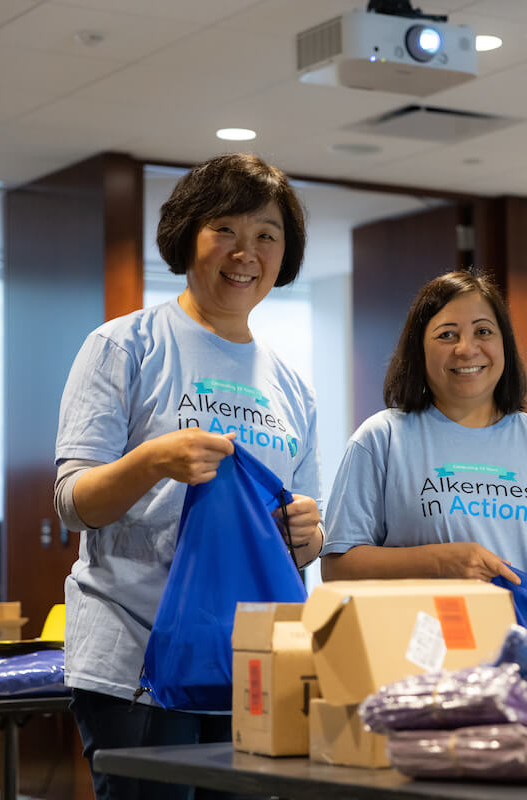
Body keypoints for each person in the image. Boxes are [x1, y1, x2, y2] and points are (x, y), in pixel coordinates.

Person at [53, 153, 323, 799]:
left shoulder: (293, 388)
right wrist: (152, 461)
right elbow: (73, 502)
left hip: (250, 668)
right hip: (136, 661)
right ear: (186, 236)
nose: (245, 252)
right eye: (225, 229)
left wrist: (305, 535)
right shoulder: (126, 345)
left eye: (267, 235)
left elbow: (300, 542)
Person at [321, 270, 527, 607]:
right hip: (414, 651)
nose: (467, 349)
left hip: (526, 652)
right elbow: (337, 567)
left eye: (483, 331)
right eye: (447, 335)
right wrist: (440, 562)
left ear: (503, 341)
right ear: (419, 349)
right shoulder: (381, 438)